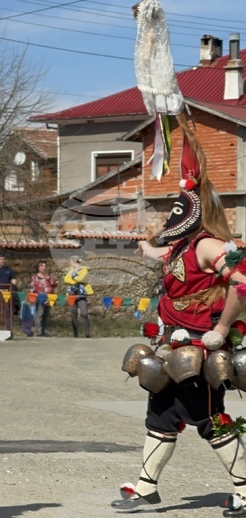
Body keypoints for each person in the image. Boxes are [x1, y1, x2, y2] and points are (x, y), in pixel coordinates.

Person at [110, 131, 246, 516]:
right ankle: (145, 488)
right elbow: (165, 259)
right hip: (171, 347)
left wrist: (221, 330)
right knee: (161, 415)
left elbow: (242, 282)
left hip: (200, 350)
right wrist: (144, 247)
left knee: (206, 418)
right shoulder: (182, 247)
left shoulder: (207, 245)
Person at [63, 255, 92, 338]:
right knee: (73, 313)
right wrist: (74, 280)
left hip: (81, 294)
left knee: (84, 313)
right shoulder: (71, 270)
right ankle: (75, 333)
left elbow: (81, 279)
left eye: (70, 262)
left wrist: (73, 278)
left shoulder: (84, 269)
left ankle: (87, 333)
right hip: (72, 294)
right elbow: (66, 279)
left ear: (73, 262)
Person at [29, 261, 57, 337]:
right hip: (39, 297)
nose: (44, 268)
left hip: (49, 297)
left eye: (45, 266)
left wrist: (50, 279)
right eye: (42, 266)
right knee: (38, 314)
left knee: (46, 315)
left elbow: (54, 284)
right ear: (39, 267)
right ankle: (39, 331)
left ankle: (44, 330)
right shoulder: (34, 277)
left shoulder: (49, 277)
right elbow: (32, 287)